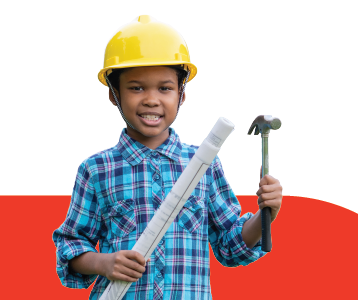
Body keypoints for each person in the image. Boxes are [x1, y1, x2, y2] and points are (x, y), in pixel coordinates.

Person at [53, 15, 283, 300]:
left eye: (165, 88)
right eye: (136, 87)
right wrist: (104, 262)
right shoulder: (96, 170)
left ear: (181, 94)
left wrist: (265, 215)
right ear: (114, 94)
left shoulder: (204, 166)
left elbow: (231, 245)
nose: (151, 99)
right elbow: (70, 247)